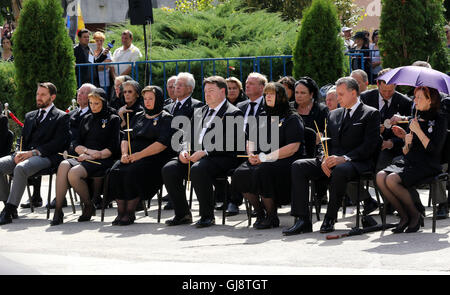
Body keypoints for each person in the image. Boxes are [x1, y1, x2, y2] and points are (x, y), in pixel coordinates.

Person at [283, 77, 380, 235]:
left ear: (354, 93)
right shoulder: (333, 114)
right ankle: (303, 220)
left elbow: (370, 146)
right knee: (299, 166)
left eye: (341, 94)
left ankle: (330, 217)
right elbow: (324, 141)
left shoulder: (370, 114)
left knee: (340, 169)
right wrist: (323, 158)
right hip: (331, 160)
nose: (338, 98)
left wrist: (344, 158)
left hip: (357, 162)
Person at [162, 76, 244, 228]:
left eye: (211, 91)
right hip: (195, 155)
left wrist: (205, 152)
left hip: (221, 157)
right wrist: (183, 151)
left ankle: (207, 215)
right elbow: (187, 136)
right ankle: (182, 214)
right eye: (205, 91)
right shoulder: (200, 111)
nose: (207, 94)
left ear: (222, 91)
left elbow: (231, 142)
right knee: (169, 169)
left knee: (199, 169)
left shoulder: (233, 112)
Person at [232, 82, 305, 229]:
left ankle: (272, 216)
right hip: (260, 158)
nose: (268, 97)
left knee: (263, 170)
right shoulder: (261, 115)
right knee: (240, 173)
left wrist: (265, 157)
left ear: (281, 97)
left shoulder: (292, 117)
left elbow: (293, 147)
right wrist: (251, 154)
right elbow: (250, 140)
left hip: (284, 159)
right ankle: (260, 213)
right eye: (266, 94)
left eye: (272, 94)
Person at [377, 86, 447, 233]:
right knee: (381, 176)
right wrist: (406, 140)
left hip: (428, 163)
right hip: (409, 161)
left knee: (391, 180)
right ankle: (404, 216)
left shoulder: (440, 119)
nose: (415, 101)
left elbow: (433, 149)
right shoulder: (414, 117)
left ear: (430, 100)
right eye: (415, 97)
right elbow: (406, 151)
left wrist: (418, 131)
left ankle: (414, 215)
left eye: (420, 98)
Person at [0, 82, 70, 225]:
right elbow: (24, 139)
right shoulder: (30, 115)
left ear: (52, 97)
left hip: (46, 157)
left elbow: (59, 143)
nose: (39, 97)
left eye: (43, 95)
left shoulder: (61, 117)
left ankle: (8, 210)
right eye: (38, 94)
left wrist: (33, 153)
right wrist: (20, 152)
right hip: (25, 154)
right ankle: (8, 203)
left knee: (21, 168)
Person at [50, 88, 121, 225]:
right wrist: (86, 152)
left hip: (102, 160)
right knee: (64, 165)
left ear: (104, 103)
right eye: (91, 103)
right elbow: (75, 143)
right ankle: (58, 210)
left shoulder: (113, 119)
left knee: (74, 173)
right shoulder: (86, 118)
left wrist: (95, 155)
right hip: (84, 157)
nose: (93, 107)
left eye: (96, 104)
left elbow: (113, 147)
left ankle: (88, 205)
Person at [106, 86, 174, 225]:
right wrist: (124, 154)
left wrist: (139, 155)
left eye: (151, 99)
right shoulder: (138, 116)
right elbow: (126, 137)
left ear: (159, 100)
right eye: (145, 99)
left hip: (152, 157)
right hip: (131, 155)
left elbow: (161, 144)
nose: (147, 102)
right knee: (115, 171)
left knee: (132, 172)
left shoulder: (166, 119)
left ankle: (130, 212)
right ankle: (121, 211)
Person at [46, 83, 96, 210]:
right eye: (79, 92)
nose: (79, 95)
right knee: (57, 159)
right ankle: (61, 197)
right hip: (68, 150)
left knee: (67, 163)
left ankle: (90, 197)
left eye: (83, 93)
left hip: (86, 151)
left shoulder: (94, 113)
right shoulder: (71, 114)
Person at [226, 72, 267, 216]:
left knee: (242, 166)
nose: (246, 86)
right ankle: (224, 198)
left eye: (251, 83)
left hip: (259, 148)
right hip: (237, 147)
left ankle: (234, 201)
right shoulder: (240, 105)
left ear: (262, 88)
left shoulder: (267, 105)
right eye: (246, 83)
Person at [361, 68, 412, 172]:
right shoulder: (365, 98)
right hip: (368, 144)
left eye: (391, 91)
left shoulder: (405, 102)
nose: (387, 94)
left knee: (382, 164)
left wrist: (391, 143)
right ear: (377, 84)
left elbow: (407, 131)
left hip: (391, 148)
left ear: (395, 85)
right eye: (384, 90)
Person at [92, 31, 113, 98]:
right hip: (93, 81)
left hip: (104, 81)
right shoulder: (91, 51)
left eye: (101, 40)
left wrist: (92, 68)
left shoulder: (107, 52)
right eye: (97, 40)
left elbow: (106, 66)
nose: (99, 42)